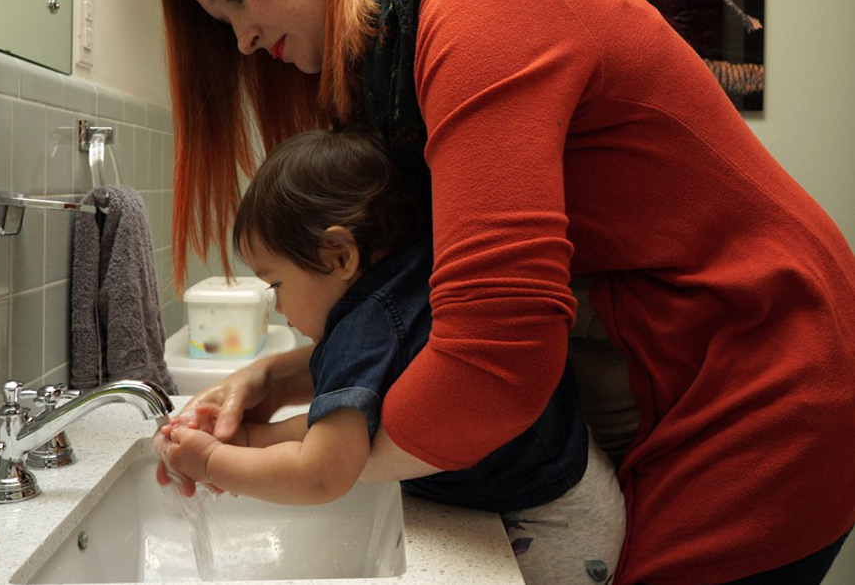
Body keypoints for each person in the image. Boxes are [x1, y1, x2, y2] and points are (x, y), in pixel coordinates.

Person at [157, 0, 855, 585]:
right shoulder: (402, 63)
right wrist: (286, 379)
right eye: (225, 26)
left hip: (768, 385)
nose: (246, 42)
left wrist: (308, 450)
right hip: (692, 380)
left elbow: (495, 357)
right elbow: (428, 313)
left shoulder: (480, 5)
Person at [154, 127, 626, 585]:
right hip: (581, 487)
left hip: (546, 526)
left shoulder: (362, 327)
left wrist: (213, 461)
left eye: (276, 284)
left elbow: (322, 474)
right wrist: (256, 420)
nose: (278, 307)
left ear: (339, 256)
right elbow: (359, 389)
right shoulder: (419, 271)